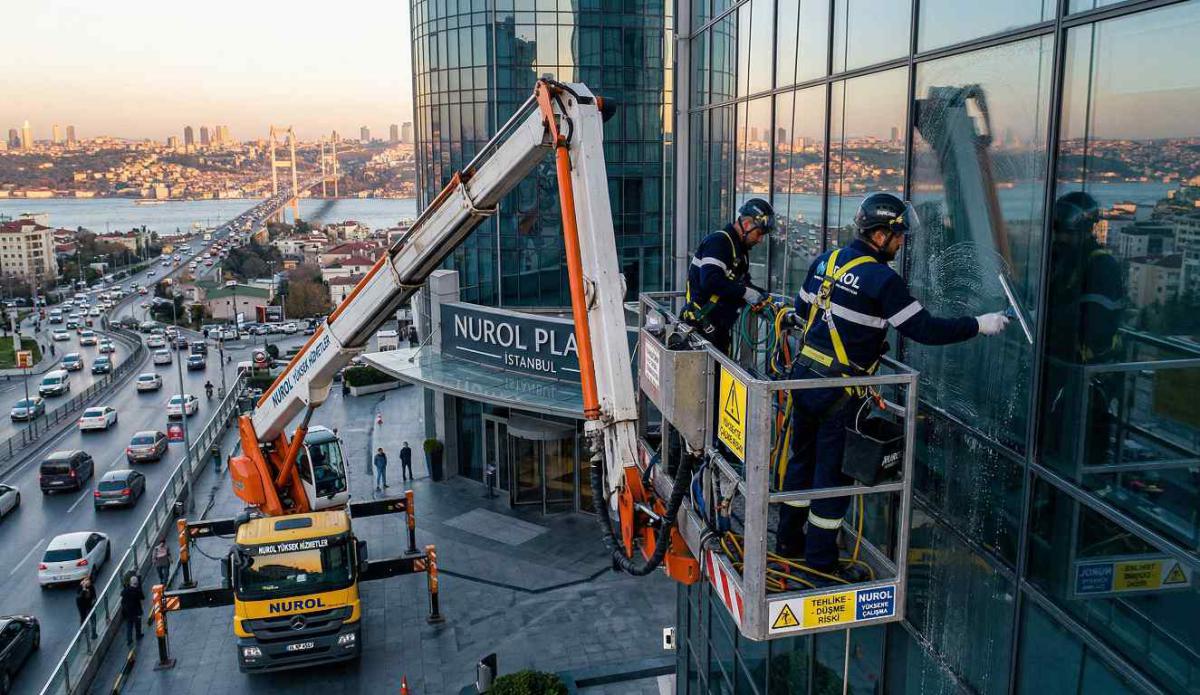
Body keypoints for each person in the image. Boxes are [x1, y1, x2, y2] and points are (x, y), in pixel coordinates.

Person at [777, 192, 1011, 579]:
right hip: (840, 391)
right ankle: (820, 562)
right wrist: (979, 324)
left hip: (804, 380)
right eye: (898, 235)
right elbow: (924, 329)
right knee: (832, 479)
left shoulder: (826, 261)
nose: (901, 243)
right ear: (880, 234)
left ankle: (787, 540)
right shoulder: (883, 280)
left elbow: (802, 311)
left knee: (801, 462)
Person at [1043, 191, 1124, 467]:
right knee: (1056, 445)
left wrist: (1049, 320)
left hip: (1087, 377)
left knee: (1082, 452)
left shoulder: (1100, 266)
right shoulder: (1062, 261)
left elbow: (1095, 326)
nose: (1059, 238)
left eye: (1064, 232)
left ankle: (1073, 505)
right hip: (1064, 369)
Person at [680, 198, 775, 354]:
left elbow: (742, 283)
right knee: (711, 376)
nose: (760, 240)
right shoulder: (719, 242)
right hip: (701, 328)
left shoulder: (738, 250)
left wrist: (762, 295)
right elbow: (711, 281)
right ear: (746, 225)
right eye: (759, 233)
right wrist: (746, 293)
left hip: (716, 330)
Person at [120, 575, 145, 646]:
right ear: (136, 583)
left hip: (127, 612)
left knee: (129, 626)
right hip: (136, 611)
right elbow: (142, 597)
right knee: (137, 624)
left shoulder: (126, 590)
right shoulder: (137, 591)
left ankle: (129, 640)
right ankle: (138, 635)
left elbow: (121, 594)